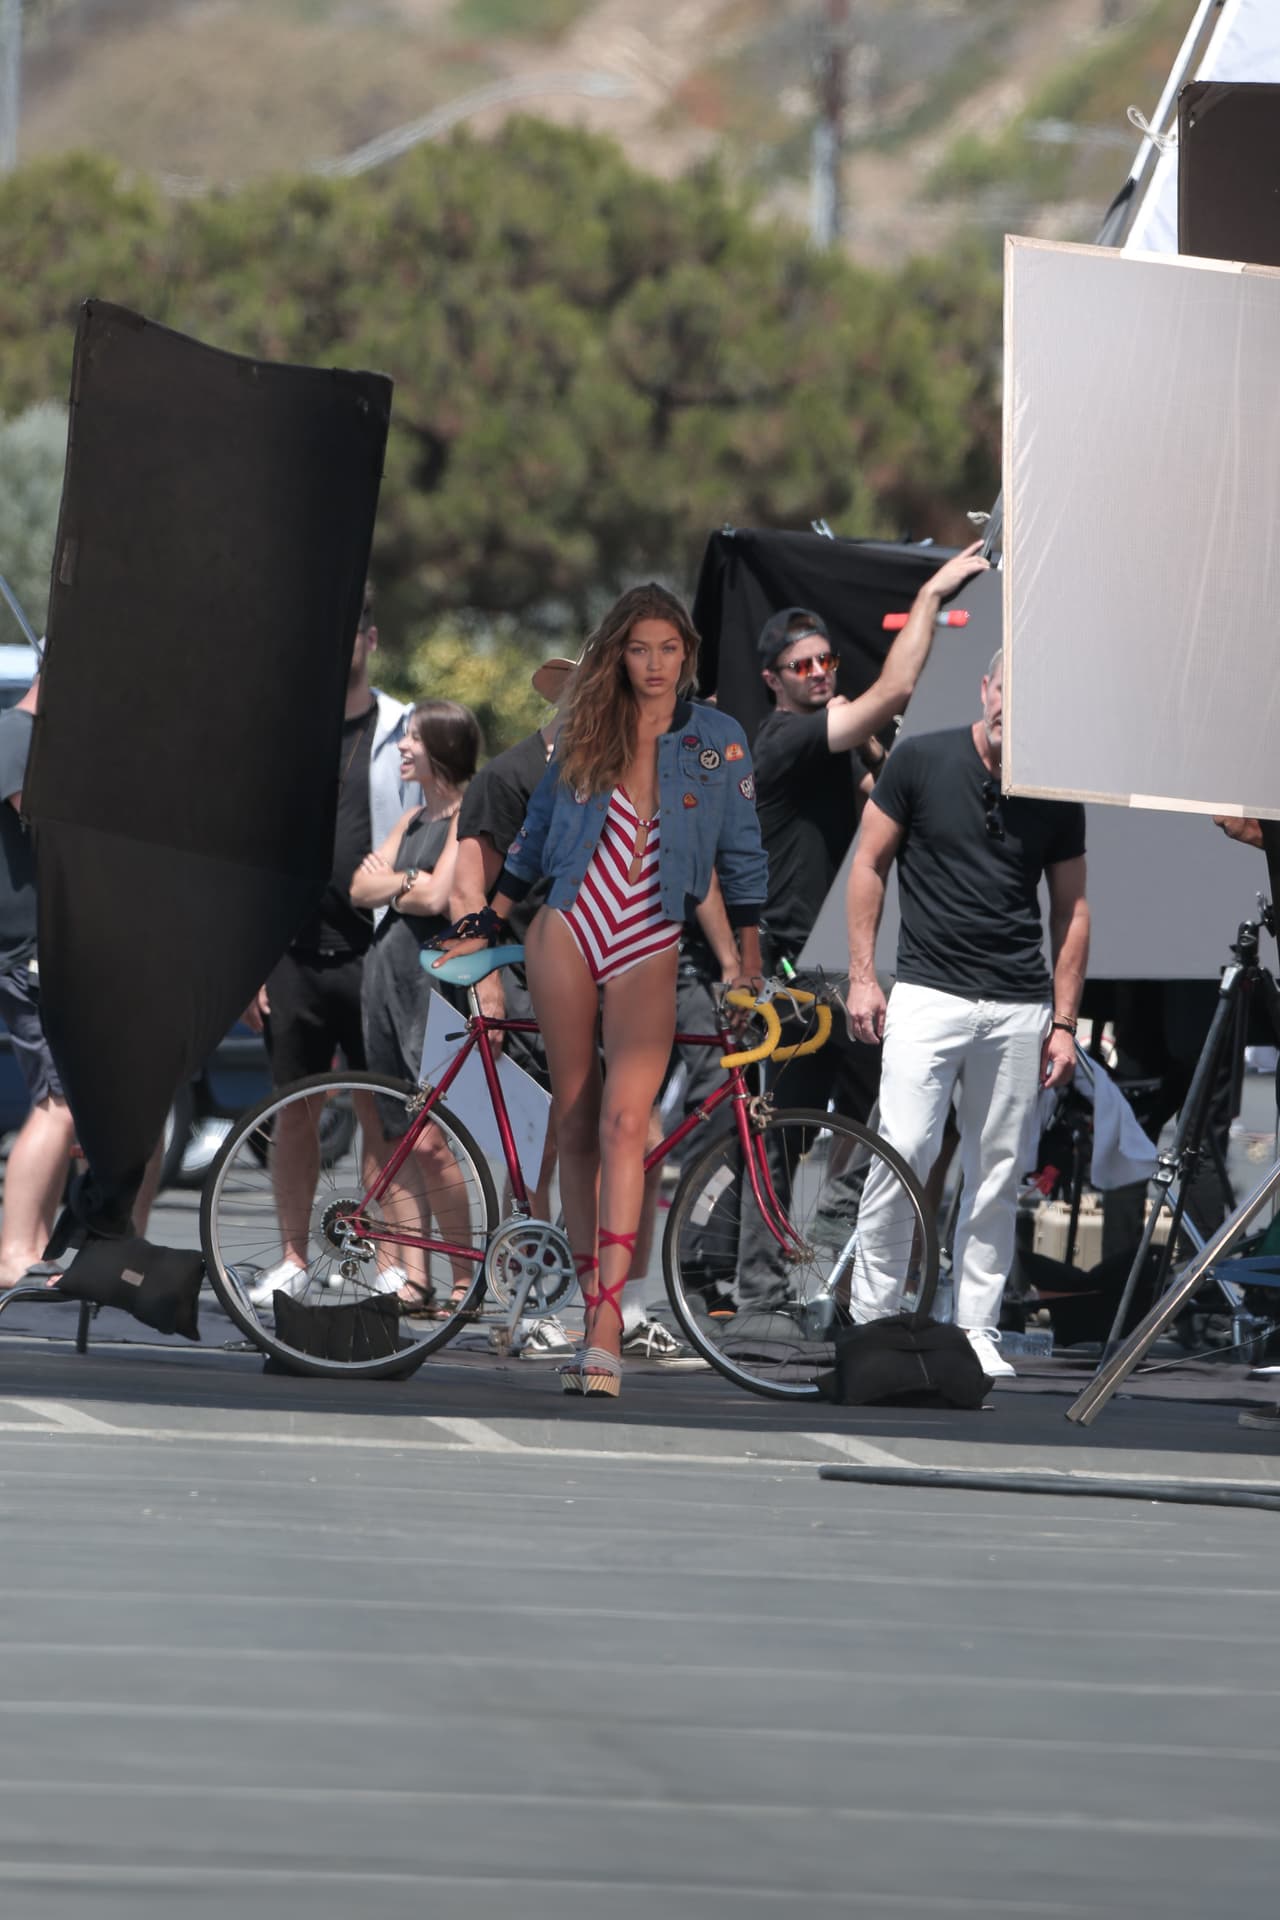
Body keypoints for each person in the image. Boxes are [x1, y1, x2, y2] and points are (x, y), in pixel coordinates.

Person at [441, 583, 767, 1397]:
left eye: (668, 649)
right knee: (577, 1116)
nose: (654, 665)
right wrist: (491, 919)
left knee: (632, 1122)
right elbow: (536, 835)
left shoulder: (719, 740)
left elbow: (743, 857)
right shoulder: (587, 729)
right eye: (637, 648)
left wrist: (748, 959)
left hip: (650, 938)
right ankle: (593, 1310)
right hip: (568, 927)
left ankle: (611, 1316)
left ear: (686, 655)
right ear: (618, 654)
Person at [844, 650, 1090, 1381]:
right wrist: (863, 978)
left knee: (996, 1171)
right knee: (904, 1149)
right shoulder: (919, 760)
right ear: (987, 689)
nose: (1013, 705)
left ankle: (976, 1326)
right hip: (927, 992)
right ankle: (873, 1318)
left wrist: (1065, 1021)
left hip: (1018, 1005)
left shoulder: (1055, 788)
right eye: (1007, 688)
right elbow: (868, 864)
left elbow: (1072, 909)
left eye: (1029, 694)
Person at [752, 542, 992, 1129]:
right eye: (801, 666)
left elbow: (888, 797)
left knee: (798, 1131)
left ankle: (827, 1218)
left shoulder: (826, 746)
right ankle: (835, 1219)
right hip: (805, 966)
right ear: (772, 681)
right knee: (918, 1098)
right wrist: (930, 596)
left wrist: (870, 747)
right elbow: (893, 692)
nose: (818, 674)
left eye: (825, 662)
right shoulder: (787, 738)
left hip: (823, 963)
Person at [247, 587, 419, 1305]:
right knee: (295, 1111)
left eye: (352, 632)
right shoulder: (286, 729)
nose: (341, 646)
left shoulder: (401, 725)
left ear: (371, 641)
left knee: (382, 1111)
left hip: (374, 949)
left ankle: (391, 1266)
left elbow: (430, 825)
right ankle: (292, 1257)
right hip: (293, 949)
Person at [350, 698, 482, 1317]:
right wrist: (408, 885)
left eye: (414, 739)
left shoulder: (466, 815)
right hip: (384, 977)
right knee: (393, 1131)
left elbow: (440, 896)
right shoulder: (411, 819)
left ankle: (465, 1277)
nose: (403, 747)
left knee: (432, 1137)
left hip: (432, 983)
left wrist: (398, 884)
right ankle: (414, 1274)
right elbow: (359, 887)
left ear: (444, 749)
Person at [0, 675, 78, 1287]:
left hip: (37, 945)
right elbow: (50, 821)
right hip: (24, 948)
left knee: (58, 1103)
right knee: (57, 1103)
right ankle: (15, 1251)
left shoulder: (27, 736)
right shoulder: (17, 734)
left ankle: (32, 1246)